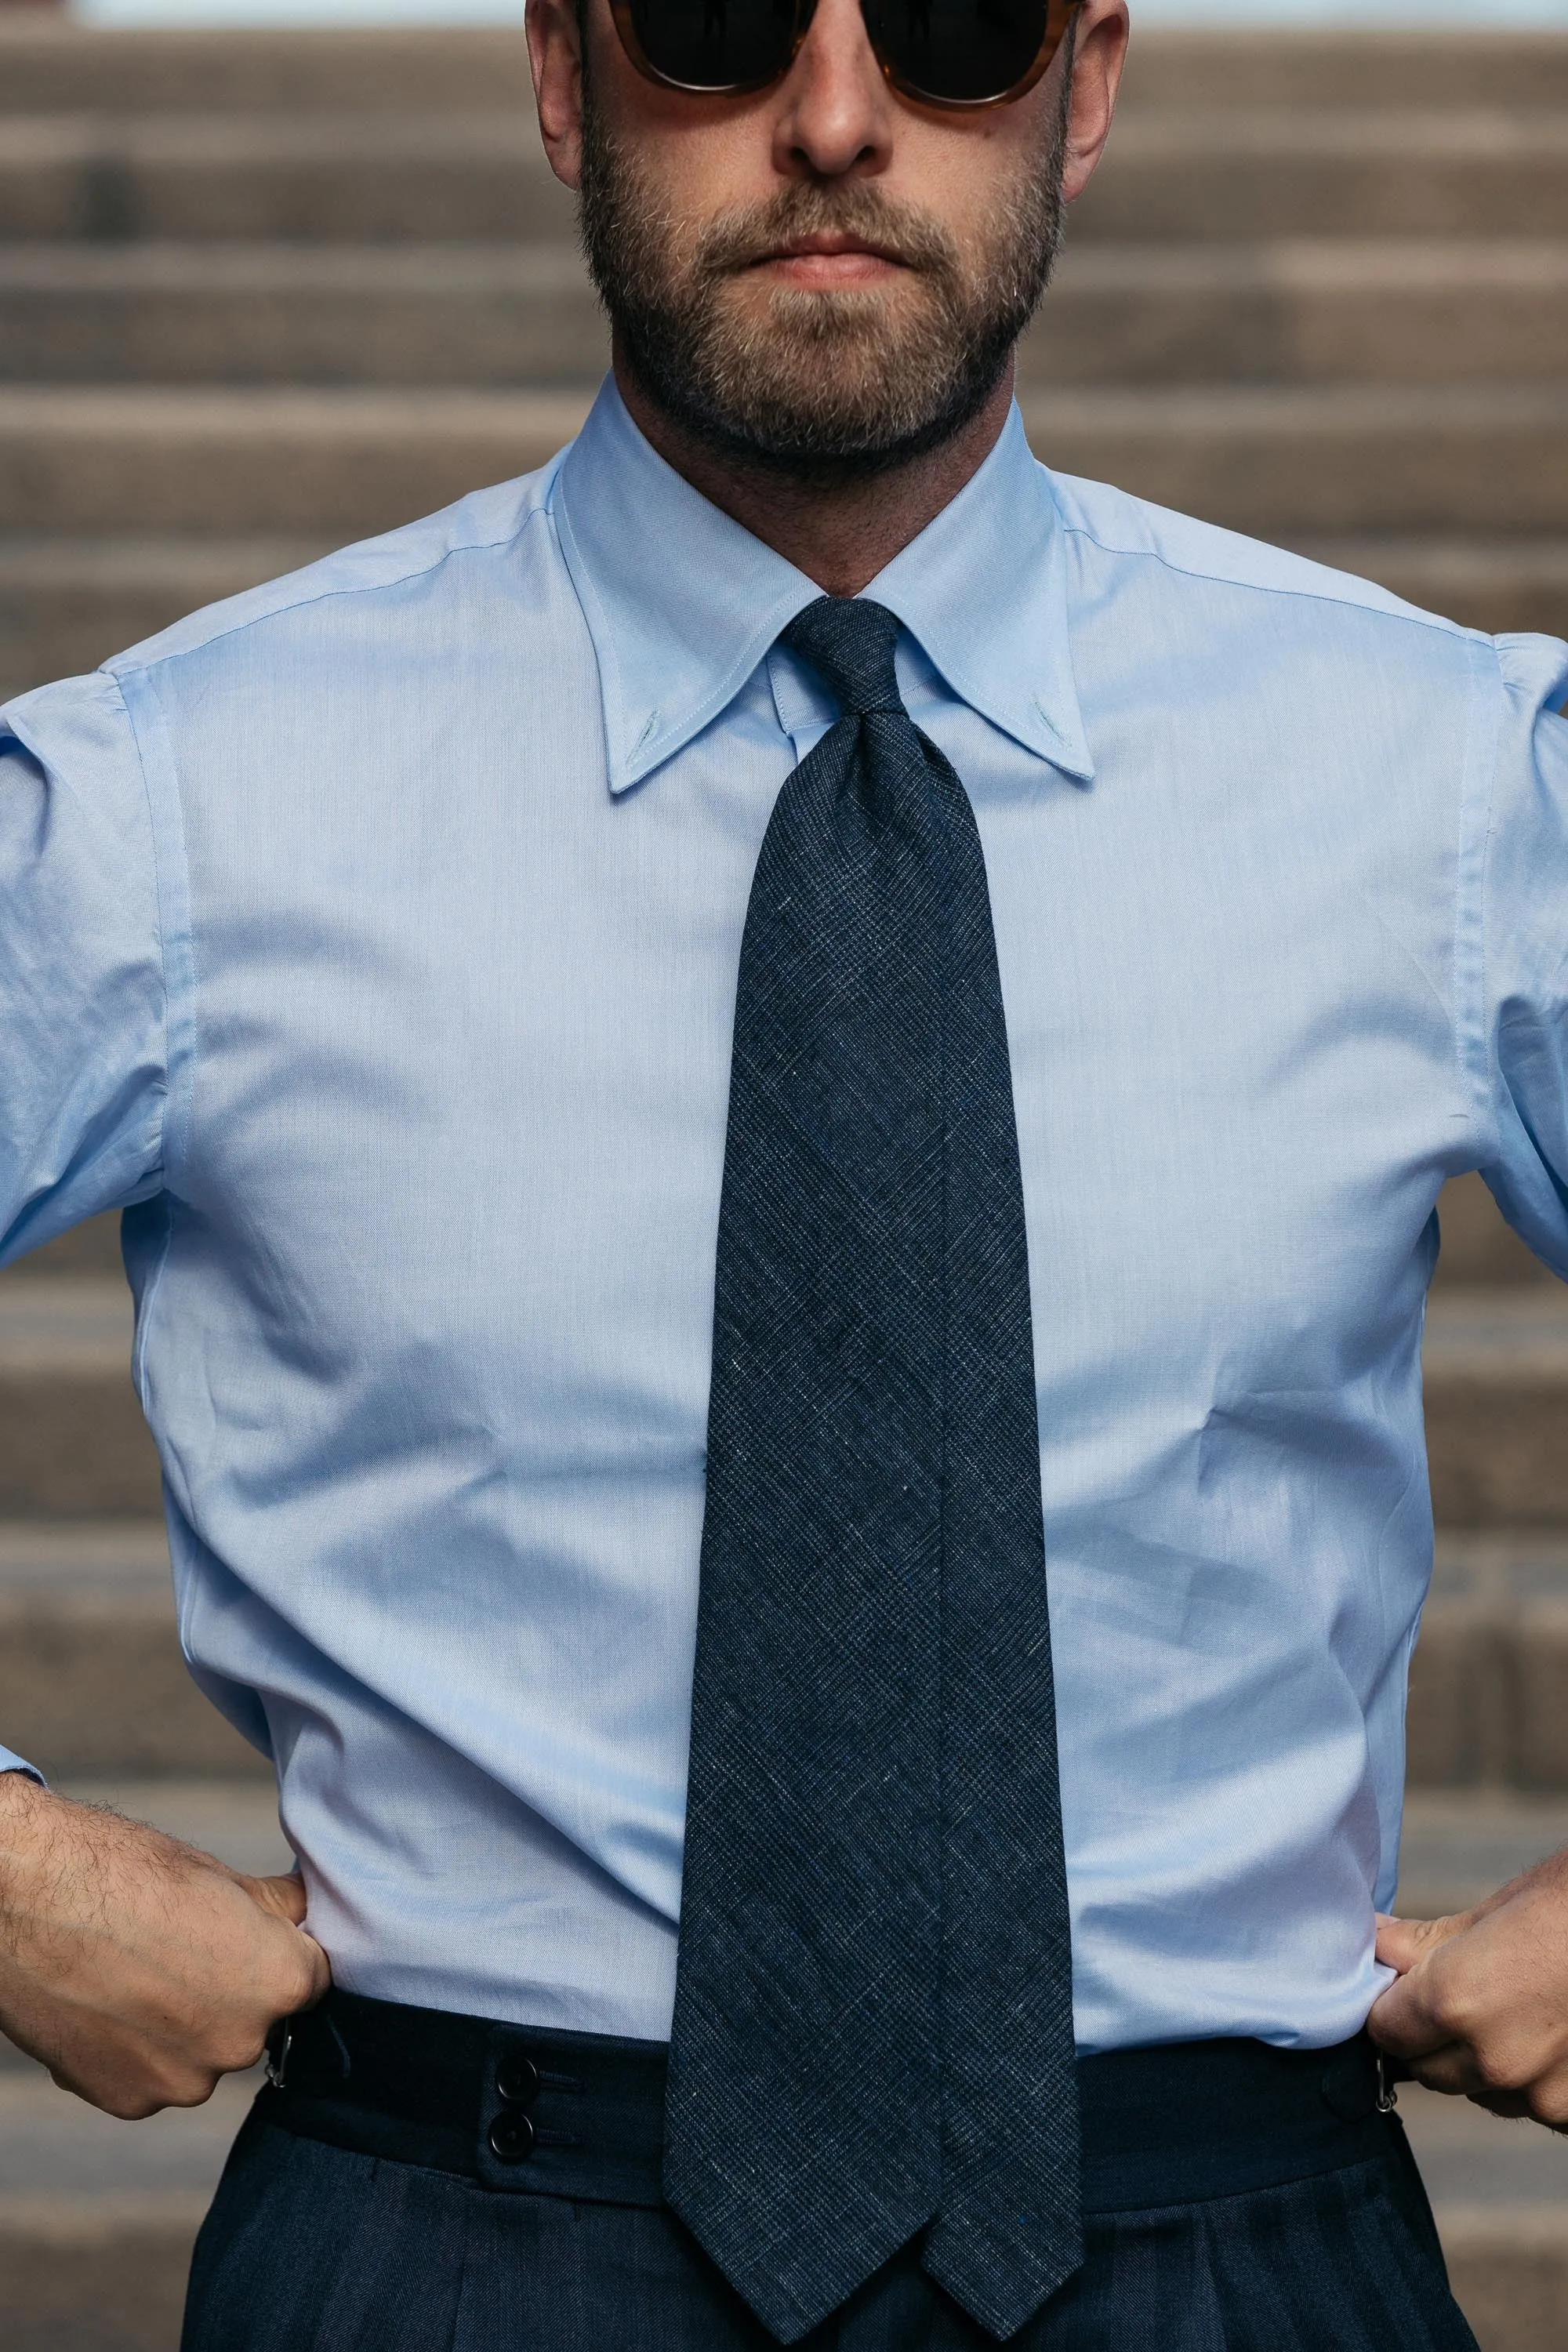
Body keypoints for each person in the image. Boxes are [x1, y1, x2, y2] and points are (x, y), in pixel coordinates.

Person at [1, 0, 1565, 2342]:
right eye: (718, 25)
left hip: (1231, 2241)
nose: (834, 122)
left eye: (949, 29)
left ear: (1091, 80)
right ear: (560, 75)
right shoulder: (175, 803)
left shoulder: (1439, 779)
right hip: (457, 2244)